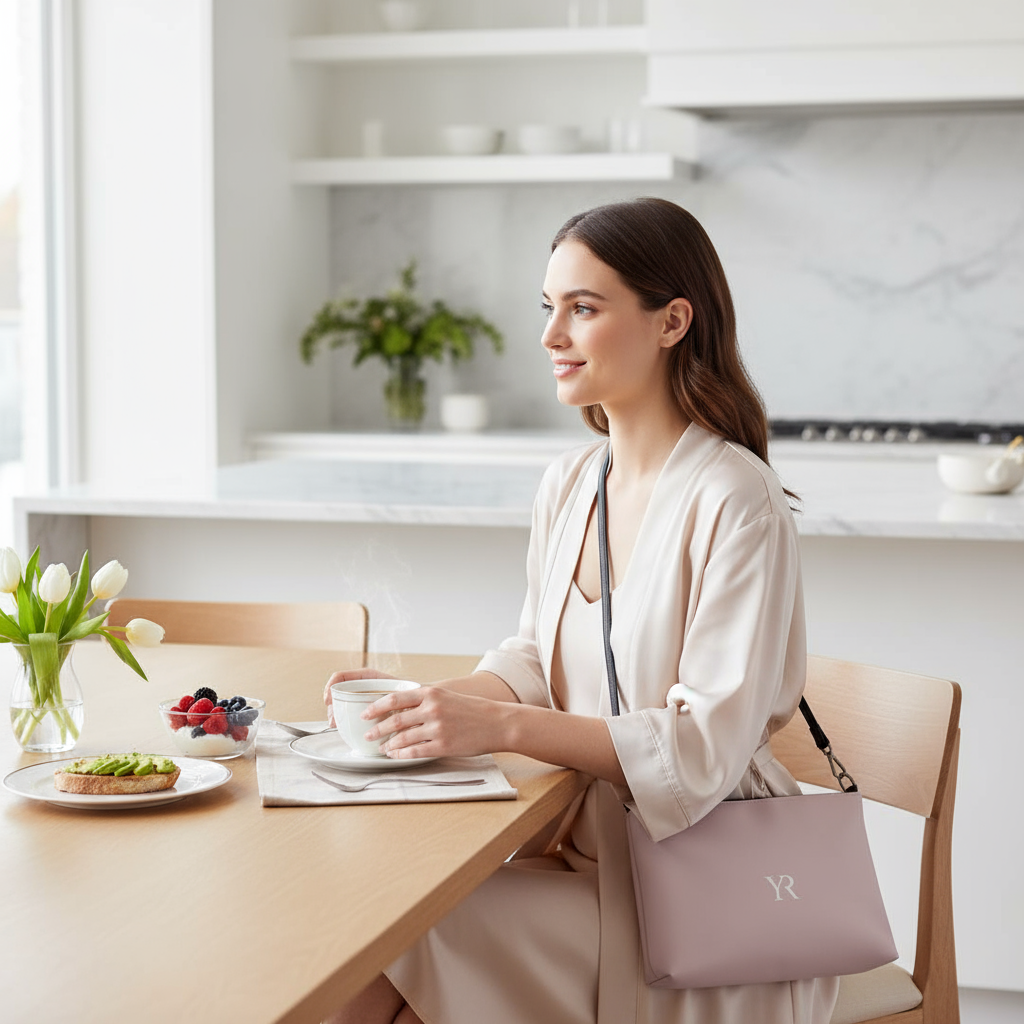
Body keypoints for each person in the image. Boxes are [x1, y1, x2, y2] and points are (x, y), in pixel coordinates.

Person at [323, 197, 841, 1024]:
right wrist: (428, 709)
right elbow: (536, 657)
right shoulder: (570, 483)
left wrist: (501, 729)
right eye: (549, 308)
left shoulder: (735, 497)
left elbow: (702, 750)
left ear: (672, 321)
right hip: (588, 863)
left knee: (394, 945)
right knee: (373, 931)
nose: (550, 336)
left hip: (715, 899)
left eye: (584, 309)